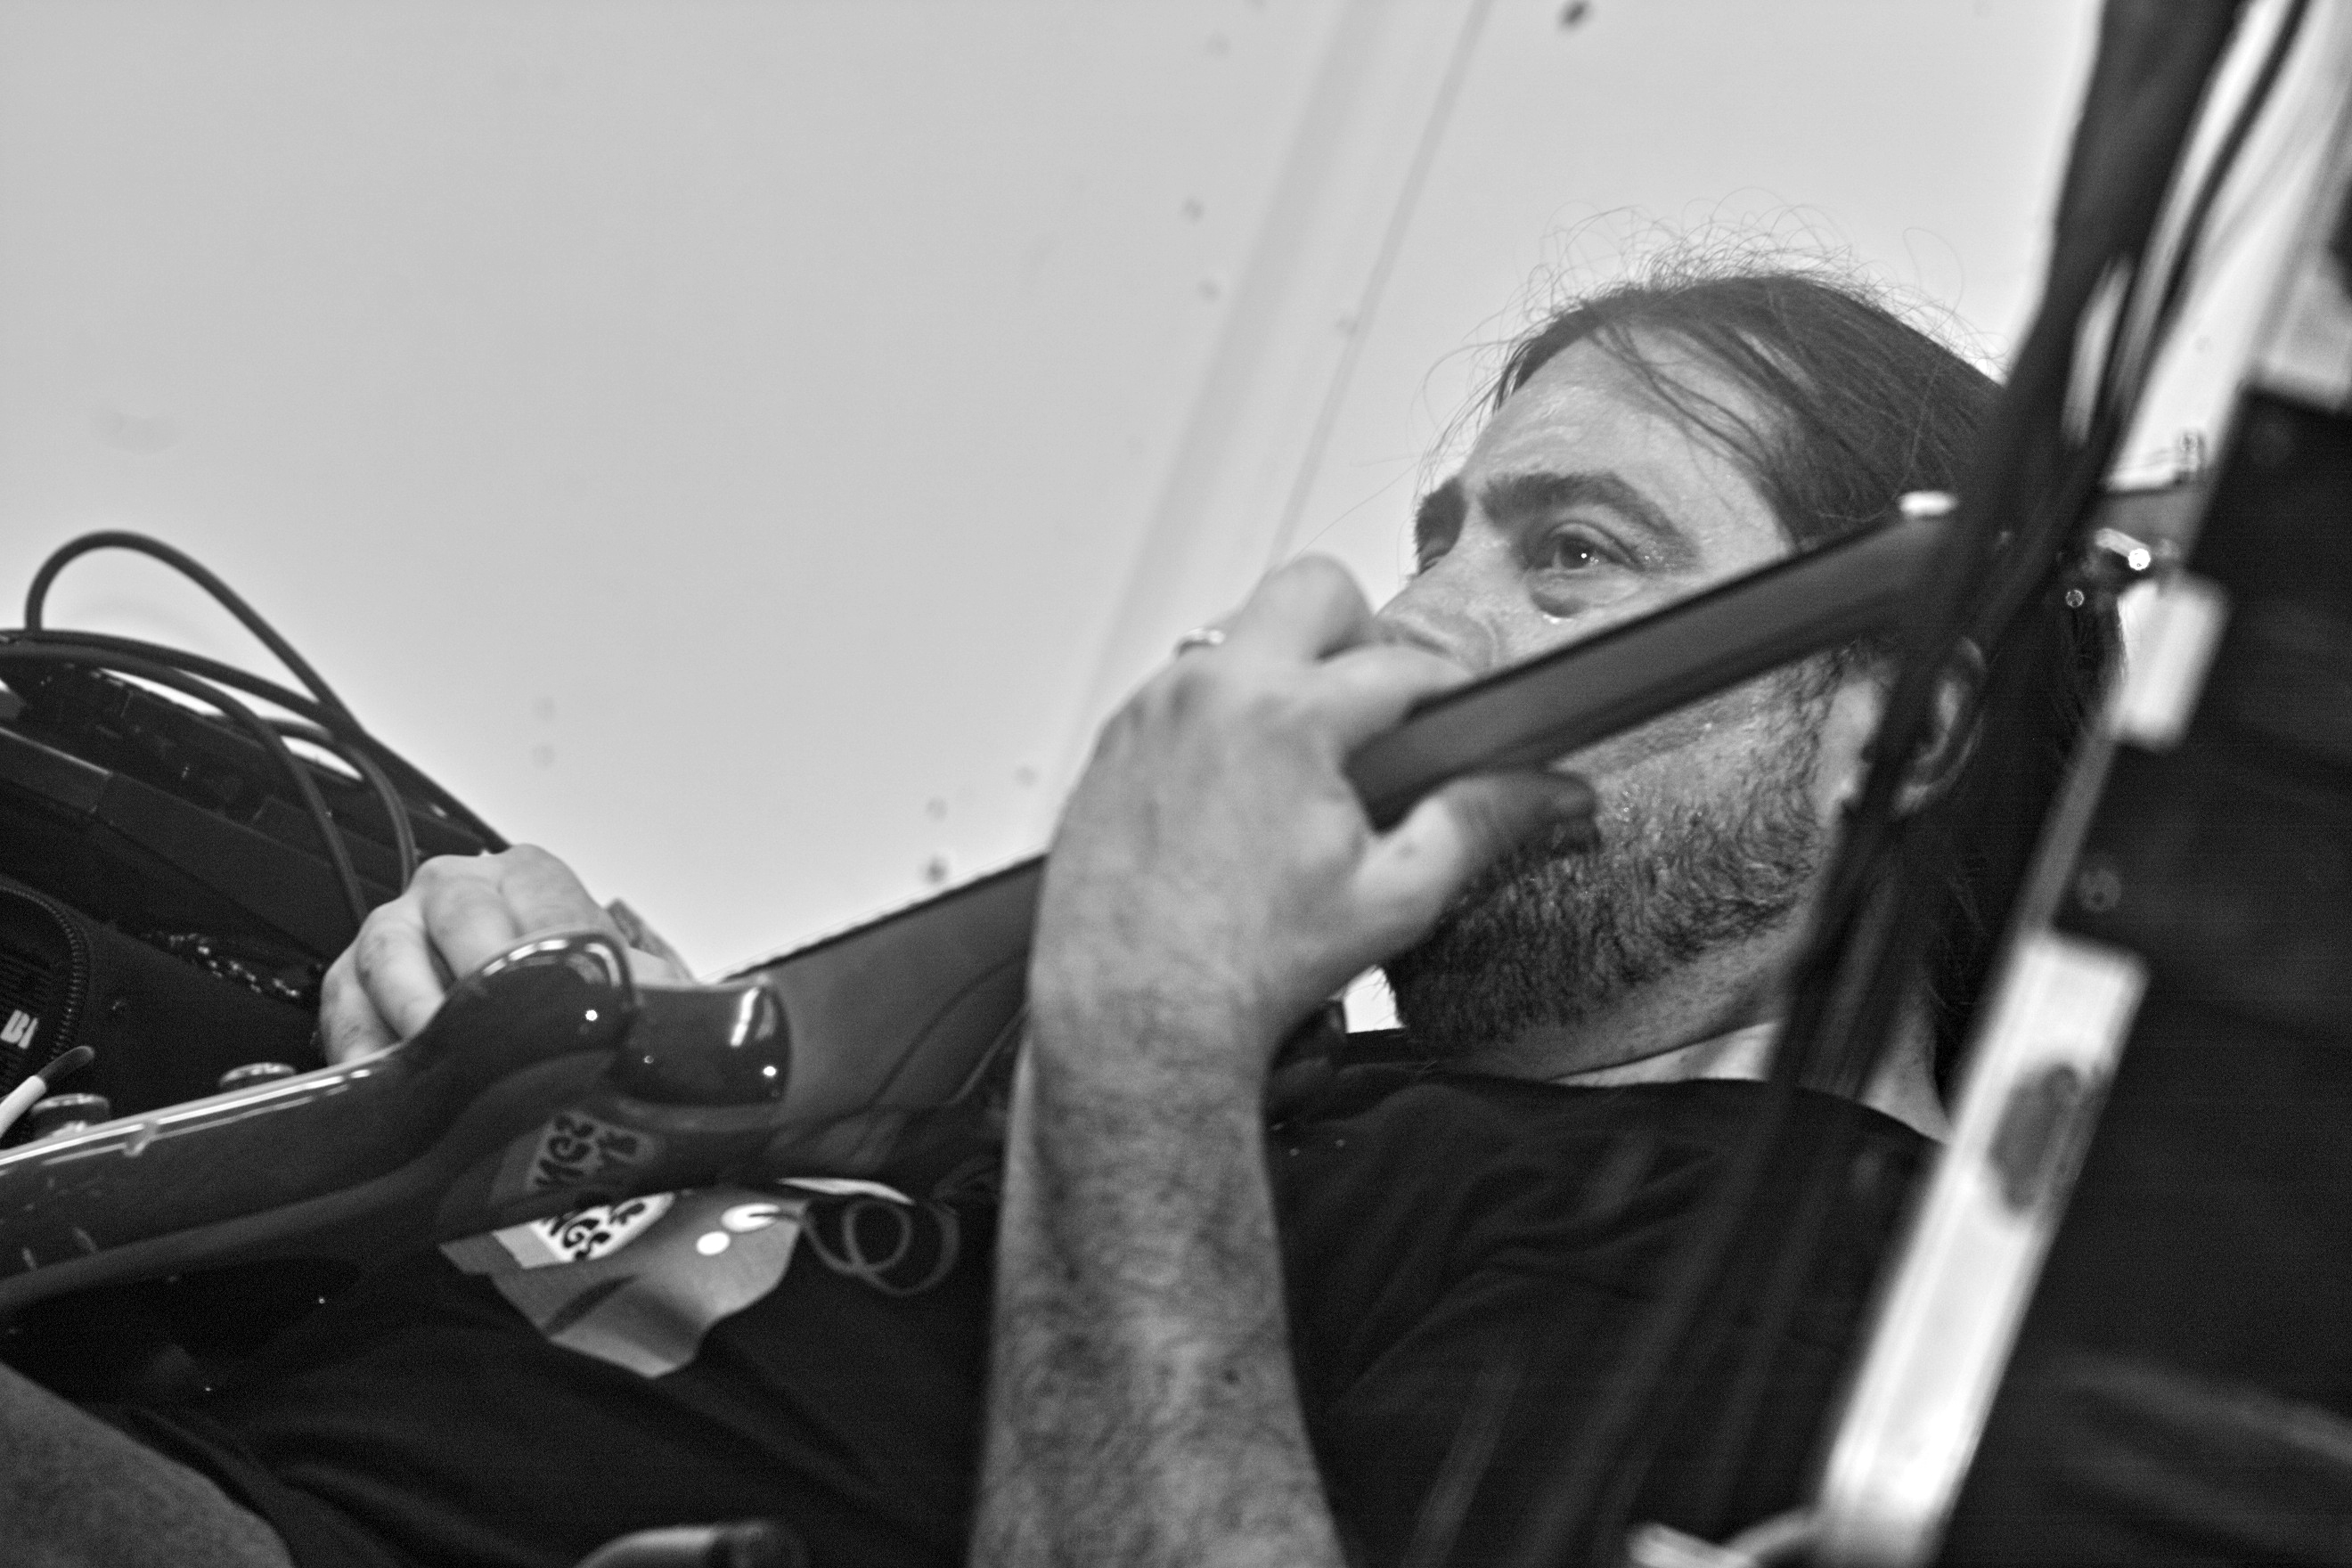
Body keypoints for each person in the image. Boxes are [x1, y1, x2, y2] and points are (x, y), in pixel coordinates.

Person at [0, 263, 2111, 1568]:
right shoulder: (1281, 1106)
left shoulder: (1787, 1271)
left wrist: (1150, 1026)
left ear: (1894, 731)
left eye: (1574, 554)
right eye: (1439, 543)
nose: (1412, 628)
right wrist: (573, 1080)